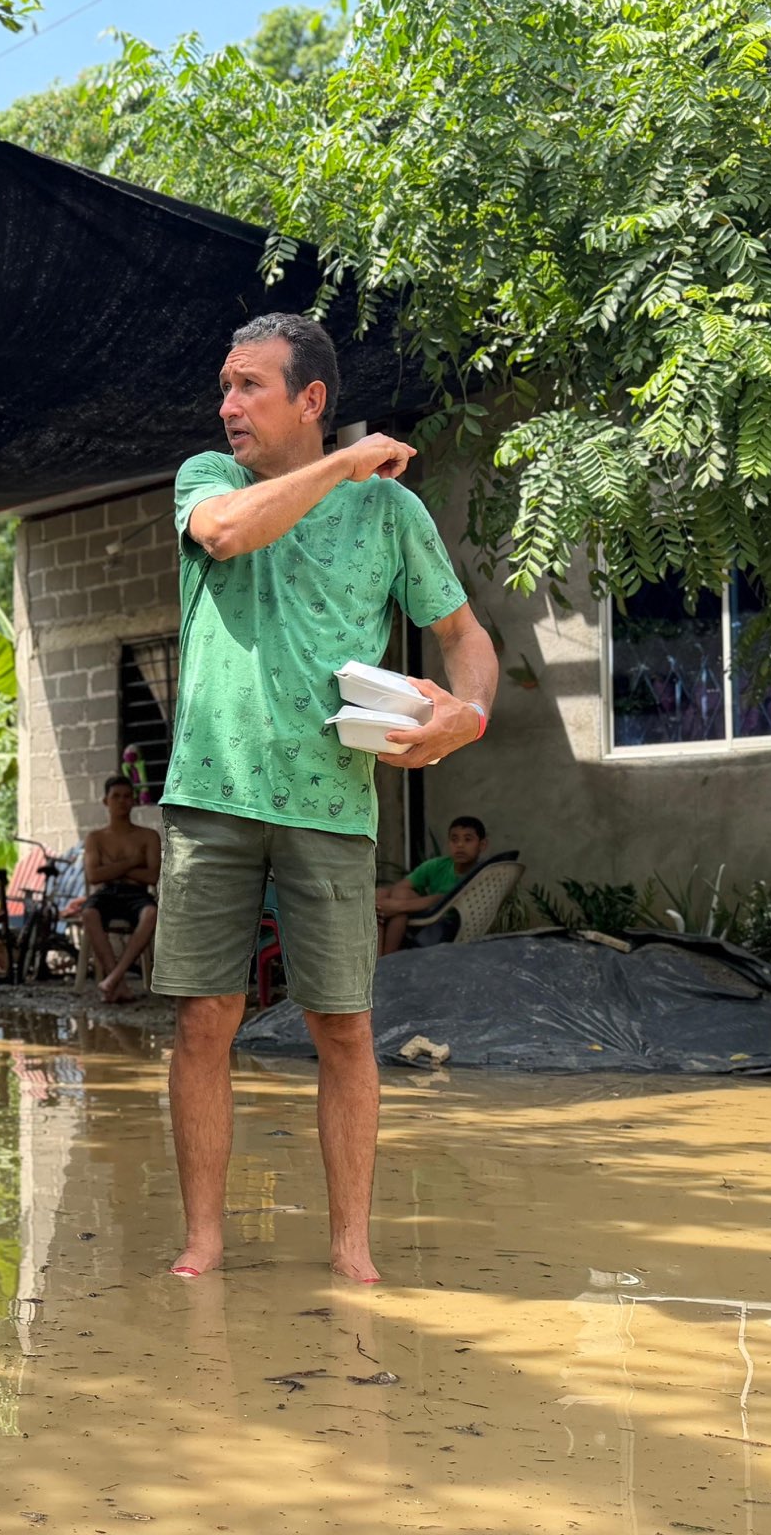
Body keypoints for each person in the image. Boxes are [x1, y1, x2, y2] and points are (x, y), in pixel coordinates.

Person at [152, 313, 497, 1284]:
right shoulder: (206, 481)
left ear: (310, 399)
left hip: (333, 804)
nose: (227, 406)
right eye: (225, 387)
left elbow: (465, 639)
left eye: (249, 386)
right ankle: (203, 1241)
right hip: (212, 796)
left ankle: (351, 1248)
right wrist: (345, 462)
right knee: (204, 1020)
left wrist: (465, 717)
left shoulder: (390, 514)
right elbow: (228, 534)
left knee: (343, 1027)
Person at [81, 775, 161, 1003]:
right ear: (105, 801)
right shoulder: (96, 838)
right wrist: (133, 862)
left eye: (127, 796)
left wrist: (112, 868)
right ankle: (120, 985)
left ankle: (114, 978)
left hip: (137, 895)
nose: (122, 801)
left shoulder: (148, 836)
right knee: (89, 913)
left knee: (152, 914)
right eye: (116, 796)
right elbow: (94, 876)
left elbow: (152, 877)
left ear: (134, 800)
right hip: (108, 893)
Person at [376, 817, 489, 955]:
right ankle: (378, 956)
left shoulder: (481, 874)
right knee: (384, 895)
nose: (460, 845)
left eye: (468, 839)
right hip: (425, 917)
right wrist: (385, 901)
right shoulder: (438, 865)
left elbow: (445, 899)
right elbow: (401, 886)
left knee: (395, 904)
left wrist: (398, 906)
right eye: (454, 839)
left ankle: (386, 958)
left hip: (448, 924)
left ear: (482, 845)